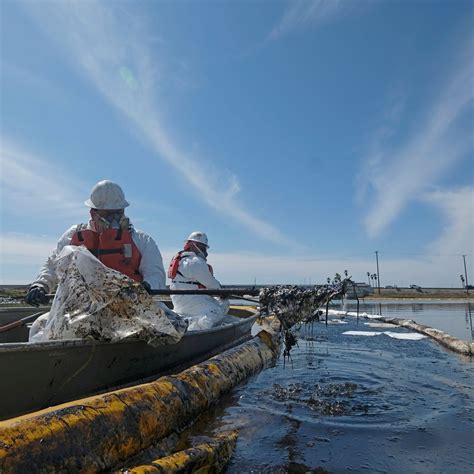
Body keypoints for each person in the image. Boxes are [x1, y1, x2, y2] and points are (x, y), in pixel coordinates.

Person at [26, 180, 166, 307]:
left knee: (172, 326)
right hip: (81, 309)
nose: (115, 219)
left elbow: (155, 272)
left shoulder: (141, 239)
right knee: (40, 330)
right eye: (107, 214)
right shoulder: (73, 236)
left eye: (118, 213)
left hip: (129, 307)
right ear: (93, 212)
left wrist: (146, 286)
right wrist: (40, 284)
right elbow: (53, 264)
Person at [168, 231, 229, 330]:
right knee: (221, 308)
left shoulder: (180, 260)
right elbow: (211, 284)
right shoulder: (196, 262)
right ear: (193, 245)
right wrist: (223, 292)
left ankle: (187, 321)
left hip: (180, 302)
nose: (205, 251)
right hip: (191, 302)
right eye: (203, 247)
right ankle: (196, 329)